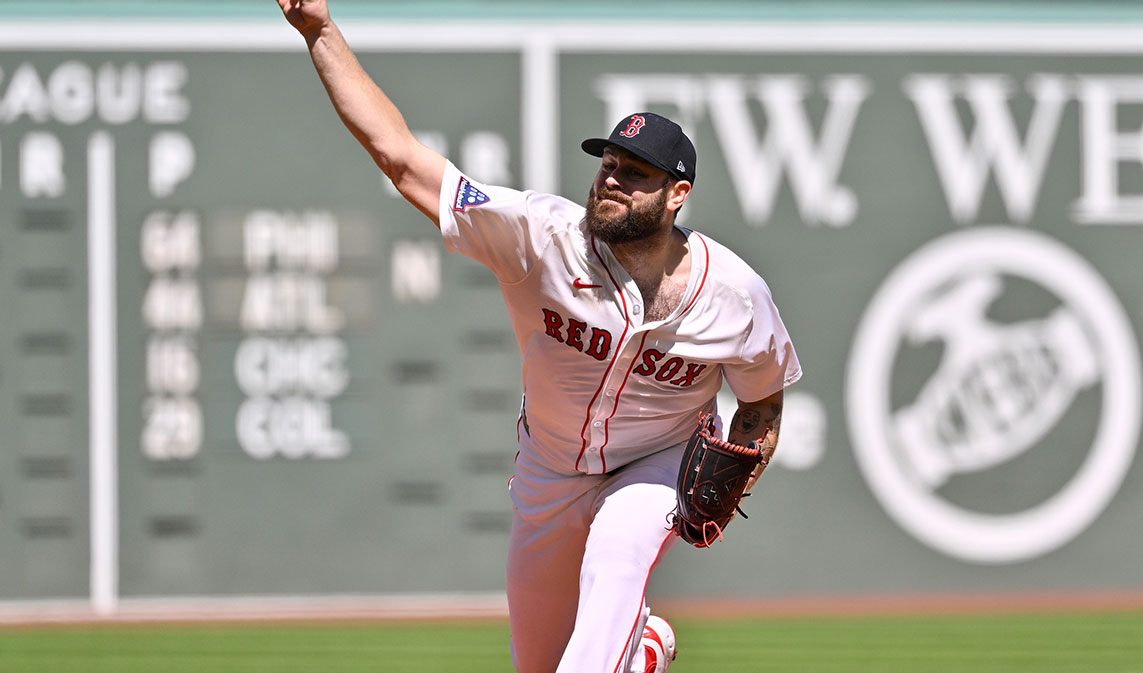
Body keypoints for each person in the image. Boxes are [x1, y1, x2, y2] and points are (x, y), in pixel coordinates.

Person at [275, 2, 803, 671]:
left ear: (677, 195)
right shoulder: (538, 236)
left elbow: (762, 402)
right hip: (548, 471)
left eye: (634, 173)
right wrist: (320, 32)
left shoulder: (733, 294)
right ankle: (641, 650)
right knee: (538, 661)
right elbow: (402, 160)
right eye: (608, 163)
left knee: (617, 551)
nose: (612, 178)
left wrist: (741, 471)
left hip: (657, 464)